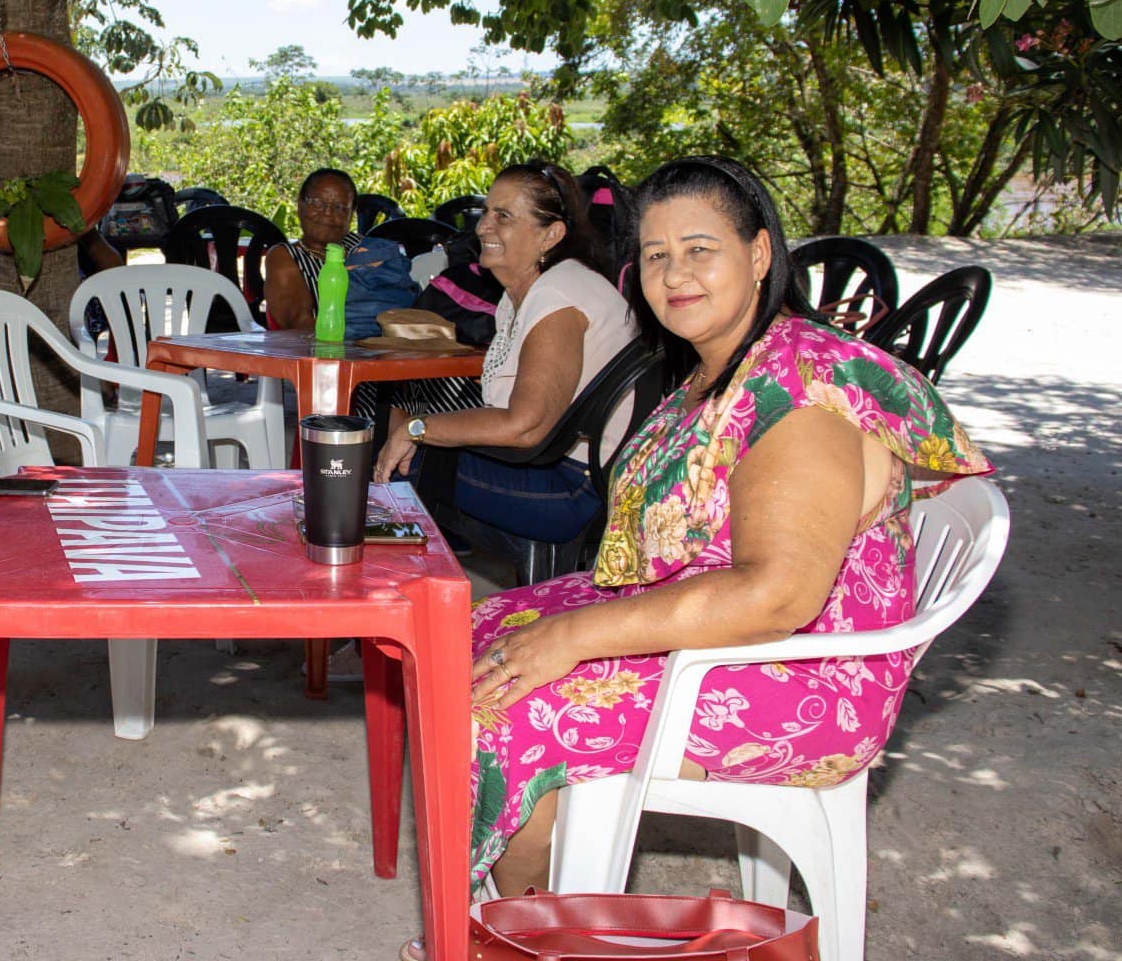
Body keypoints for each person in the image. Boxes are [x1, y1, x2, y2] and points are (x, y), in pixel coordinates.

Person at [397, 155, 989, 961]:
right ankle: (527, 910)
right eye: (656, 255)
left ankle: (511, 934)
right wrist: (565, 627)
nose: (675, 274)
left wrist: (576, 636)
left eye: (700, 249)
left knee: (499, 705)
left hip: (802, 671)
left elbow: (777, 595)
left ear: (759, 253)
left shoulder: (800, 389)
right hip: (734, 628)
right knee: (475, 633)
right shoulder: (725, 363)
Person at [373, 163, 636, 550]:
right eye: (486, 212)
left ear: (551, 234)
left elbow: (526, 427)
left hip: (576, 488)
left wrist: (417, 428)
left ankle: (398, 577)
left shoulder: (558, 296)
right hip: (563, 466)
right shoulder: (532, 293)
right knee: (390, 433)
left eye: (504, 216)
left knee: (401, 458)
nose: (483, 227)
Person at [264, 166, 363, 331]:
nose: (328, 213)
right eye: (317, 203)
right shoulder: (284, 257)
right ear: (300, 205)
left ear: (351, 213)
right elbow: (299, 323)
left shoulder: (360, 246)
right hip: (319, 346)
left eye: (340, 207)